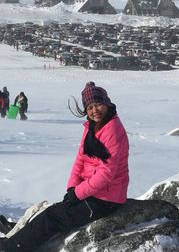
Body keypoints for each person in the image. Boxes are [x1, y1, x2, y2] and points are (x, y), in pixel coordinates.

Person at [0, 81, 129, 252]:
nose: (94, 110)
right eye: (89, 107)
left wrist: (78, 193)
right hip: (93, 192)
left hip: (106, 199)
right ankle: (16, 239)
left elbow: (107, 173)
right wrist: (72, 188)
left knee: (52, 217)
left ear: (106, 103)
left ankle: (10, 248)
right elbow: (80, 159)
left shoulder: (111, 129)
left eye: (97, 104)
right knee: (53, 212)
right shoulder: (93, 127)